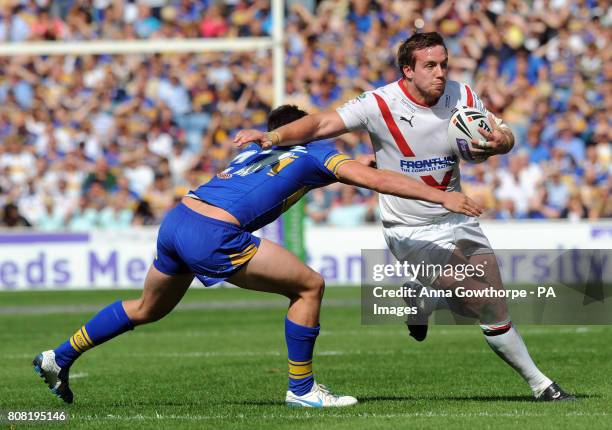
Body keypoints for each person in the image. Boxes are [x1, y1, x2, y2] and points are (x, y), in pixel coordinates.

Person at [33, 104, 482, 408]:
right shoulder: (317, 151)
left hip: (179, 218)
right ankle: (302, 390)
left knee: (146, 308)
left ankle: (59, 356)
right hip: (214, 232)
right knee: (310, 286)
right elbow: (373, 178)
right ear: (308, 126)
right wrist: (439, 195)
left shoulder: (254, 149)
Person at [234, 33, 574, 401]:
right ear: (408, 70)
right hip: (409, 228)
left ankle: (421, 299)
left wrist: (500, 142)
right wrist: (273, 136)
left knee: (493, 303)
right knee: (479, 297)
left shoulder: (462, 95)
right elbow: (318, 125)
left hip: (456, 217)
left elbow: (503, 131)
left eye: (444, 64)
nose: (440, 73)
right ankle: (542, 385)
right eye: (430, 65)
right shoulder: (379, 103)